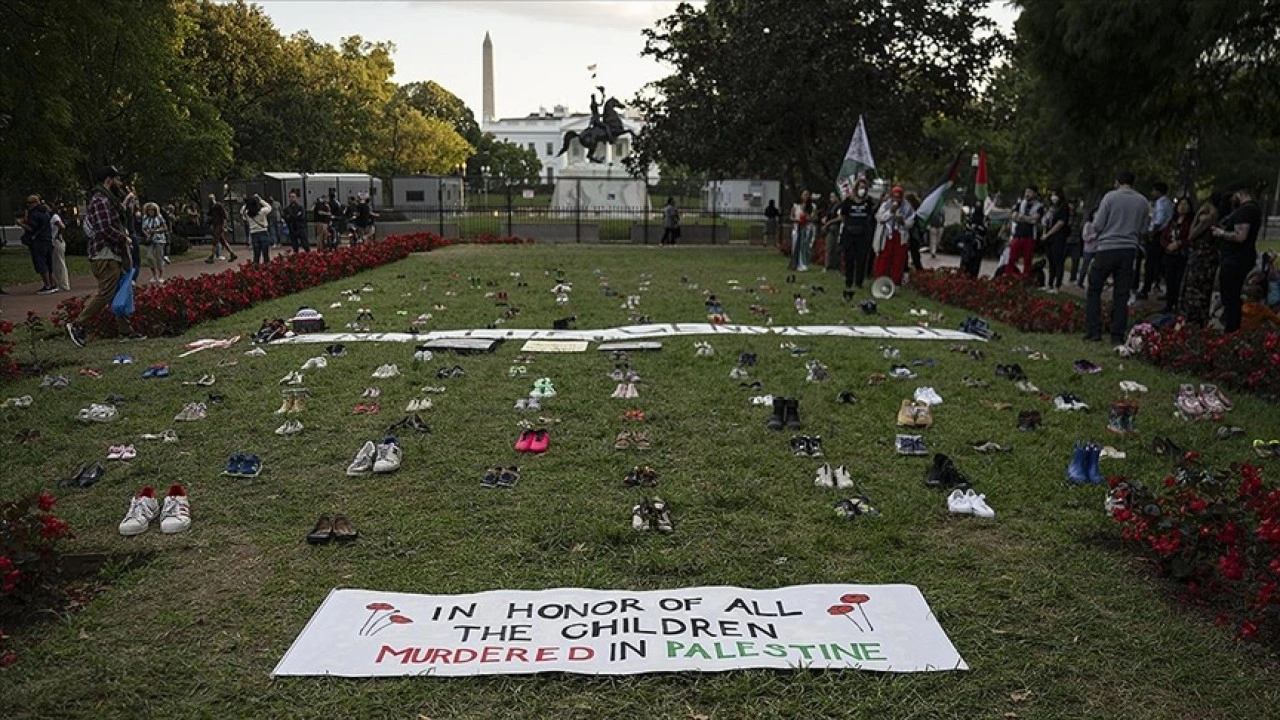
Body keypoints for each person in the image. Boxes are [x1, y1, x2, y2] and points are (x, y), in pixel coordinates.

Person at [66, 166, 143, 347]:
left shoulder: (108, 200)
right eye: (117, 179)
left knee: (117, 292)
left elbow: (114, 218)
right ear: (109, 180)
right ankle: (78, 324)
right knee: (107, 293)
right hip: (104, 254)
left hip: (111, 254)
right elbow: (104, 229)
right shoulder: (100, 200)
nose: (120, 183)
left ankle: (126, 331)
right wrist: (124, 237)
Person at [1084, 170, 1149, 345]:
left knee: (1095, 288)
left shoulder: (1110, 197)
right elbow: (1144, 229)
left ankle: (1094, 330)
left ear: (1117, 182)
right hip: (1129, 249)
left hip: (1107, 247)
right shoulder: (1142, 201)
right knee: (1122, 293)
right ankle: (1117, 334)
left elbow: (1098, 224)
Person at [1210, 182, 1262, 333]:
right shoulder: (1252, 210)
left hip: (1236, 259)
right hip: (1238, 258)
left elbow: (1240, 236)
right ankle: (1231, 326)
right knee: (1230, 295)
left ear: (1239, 194)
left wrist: (1221, 233)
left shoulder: (1246, 212)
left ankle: (1232, 328)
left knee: (1230, 296)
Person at [1182, 192, 1222, 327]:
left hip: (1202, 258)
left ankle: (1195, 319)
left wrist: (1198, 216)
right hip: (1206, 258)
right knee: (1201, 289)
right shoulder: (1216, 216)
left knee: (1196, 289)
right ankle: (1198, 318)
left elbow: (1191, 235)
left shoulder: (1209, 218)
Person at [837, 178, 877, 297]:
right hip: (849, 232)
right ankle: (848, 280)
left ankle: (859, 281)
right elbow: (843, 215)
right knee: (849, 258)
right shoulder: (848, 201)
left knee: (862, 259)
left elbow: (870, 215)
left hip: (863, 233)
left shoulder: (868, 201)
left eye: (864, 188)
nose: (862, 190)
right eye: (860, 187)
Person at [1138, 182, 1173, 300]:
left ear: (1158, 191)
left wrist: (1151, 234)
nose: (1152, 194)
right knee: (1159, 263)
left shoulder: (1161, 203)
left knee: (1151, 263)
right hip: (1164, 234)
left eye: (1153, 191)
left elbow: (1159, 220)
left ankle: (1146, 288)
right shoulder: (1168, 203)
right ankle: (1158, 286)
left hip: (1158, 235)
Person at [1159, 196, 1193, 314]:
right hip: (1169, 255)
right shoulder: (1172, 222)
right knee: (1169, 280)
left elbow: (1190, 238)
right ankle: (1169, 304)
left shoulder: (1190, 223)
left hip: (1181, 255)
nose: (1182, 207)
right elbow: (1163, 237)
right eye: (1180, 205)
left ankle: (1179, 305)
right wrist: (1167, 245)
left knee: (1179, 281)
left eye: (1185, 205)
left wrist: (1179, 243)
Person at [873, 186, 913, 285]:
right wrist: (890, 212)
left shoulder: (907, 207)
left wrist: (902, 221)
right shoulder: (885, 205)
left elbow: (910, 223)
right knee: (884, 258)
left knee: (898, 260)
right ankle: (880, 280)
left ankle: (895, 281)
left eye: (898, 197)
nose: (896, 199)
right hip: (887, 235)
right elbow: (879, 218)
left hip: (900, 236)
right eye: (894, 197)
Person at [19, 195, 57, 293]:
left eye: (29, 203)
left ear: (35, 203)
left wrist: (21, 224)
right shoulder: (45, 212)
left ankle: (47, 285)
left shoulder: (34, 214)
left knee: (40, 262)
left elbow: (31, 228)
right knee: (48, 262)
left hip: (38, 241)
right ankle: (52, 284)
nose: (28, 205)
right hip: (47, 239)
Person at [1008, 186, 1043, 279]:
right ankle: (1008, 276)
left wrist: (1022, 217)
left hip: (1030, 236)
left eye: (1030, 192)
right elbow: (1014, 216)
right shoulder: (1020, 204)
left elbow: (1035, 220)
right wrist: (1028, 218)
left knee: (1027, 260)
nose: (1027, 194)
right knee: (1012, 258)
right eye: (1026, 192)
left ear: (1035, 193)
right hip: (1018, 235)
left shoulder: (1039, 206)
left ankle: (1026, 279)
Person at [1042, 189, 1071, 292]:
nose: (1053, 197)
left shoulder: (1063, 207)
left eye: (1055, 195)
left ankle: (1057, 285)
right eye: (1052, 195)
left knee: (1058, 261)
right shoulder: (1050, 208)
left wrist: (1049, 233)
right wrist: (1045, 233)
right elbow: (1045, 222)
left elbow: (1060, 223)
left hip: (1058, 237)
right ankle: (1049, 283)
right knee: (1051, 262)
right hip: (1049, 238)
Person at [140, 202, 169, 284]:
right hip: (150, 239)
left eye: (152, 210)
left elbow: (165, 227)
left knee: (159, 257)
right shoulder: (145, 217)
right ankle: (154, 274)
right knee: (149, 256)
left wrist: (156, 231)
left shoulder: (159, 217)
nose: (150, 211)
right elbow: (143, 228)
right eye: (149, 210)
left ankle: (160, 275)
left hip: (159, 239)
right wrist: (147, 234)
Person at [957, 202, 988, 278]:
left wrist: (976, 228)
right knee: (965, 261)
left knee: (975, 264)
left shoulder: (985, 218)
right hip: (968, 244)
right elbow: (967, 227)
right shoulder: (970, 217)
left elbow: (985, 230)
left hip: (978, 245)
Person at [242, 193, 272, 265]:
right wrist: (260, 199)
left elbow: (242, 211)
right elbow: (269, 207)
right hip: (263, 232)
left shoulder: (247, 213)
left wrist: (247, 202)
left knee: (256, 254)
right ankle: (267, 267)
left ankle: (256, 268)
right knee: (265, 254)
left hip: (253, 233)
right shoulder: (262, 212)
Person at [206, 194, 236, 263]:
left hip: (219, 225)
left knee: (215, 240)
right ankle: (232, 253)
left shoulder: (218, 205)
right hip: (216, 225)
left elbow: (225, 215)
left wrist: (224, 225)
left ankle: (211, 256)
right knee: (223, 241)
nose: (210, 200)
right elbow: (210, 215)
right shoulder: (212, 207)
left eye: (211, 198)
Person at [789, 190, 814, 271]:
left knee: (805, 245)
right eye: (804, 195)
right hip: (797, 227)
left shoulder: (812, 206)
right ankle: (795, 263)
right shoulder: (796, 206)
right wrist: (797, 219)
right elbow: (791, 217)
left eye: (807, 195)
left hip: (807, 228)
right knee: (795, 245)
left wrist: (808, 218)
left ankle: (803, 262)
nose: (806, 196)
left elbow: (815, 217)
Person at [904, 192, 927, 273]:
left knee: (907, 251)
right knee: (914, 252)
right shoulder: (918, 208)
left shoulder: (910, 209)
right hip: (914, 233)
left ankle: (906, 267)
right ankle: (918, 268)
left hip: (911, 232)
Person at [1077, 207, 1099, 289]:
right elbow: (1085, 237)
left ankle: (1093, 283)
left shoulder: (1100, 225)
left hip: (1098, 249)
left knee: (1096, 268)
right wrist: (1094, 236)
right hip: (1088, 249)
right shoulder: (1088, 225)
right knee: (1085, 266)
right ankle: (1080, 281)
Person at [50, 204, 70, 291]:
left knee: (59, 264)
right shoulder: (50, 217)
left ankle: (64, 285)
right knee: (55, 264)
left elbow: (62, 226)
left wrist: (58, 235)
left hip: (57, 241)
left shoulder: (54, 217)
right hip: (53, 241)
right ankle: (58, 284)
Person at [822, 191, 842, 271]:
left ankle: (833, 265)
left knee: (835, 247)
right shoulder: (830, 206)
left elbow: (840, 217)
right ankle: (828, 265)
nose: (831, 199)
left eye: (833, 196)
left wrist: (829, 222)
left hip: (835, 226)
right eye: (830, 197)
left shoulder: (840, 206)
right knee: (829, 247)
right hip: (829, 226)